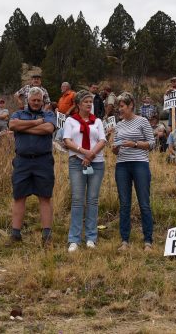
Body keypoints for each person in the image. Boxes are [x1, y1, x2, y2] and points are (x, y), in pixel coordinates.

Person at [8, 87, 57, 245]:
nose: (36, 103)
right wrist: (36, 123)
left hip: (43, 161)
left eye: (39, 100)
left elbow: (48, 128)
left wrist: (24, 127)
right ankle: (15, 234)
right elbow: (12, 125)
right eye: (33, 100)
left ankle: (47, 236)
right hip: (22, 161)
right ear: (28, 100)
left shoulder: (48, 115)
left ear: (43, 101)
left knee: (45, 197)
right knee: (19, 197)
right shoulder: (18, 114)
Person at [62, 90, 106, 252]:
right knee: (77, 199)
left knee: (92, 200)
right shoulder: (70, 121)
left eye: (90, 102)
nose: (89, 104)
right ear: (78, 104)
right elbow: (67, 140)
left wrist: (91, 154)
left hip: (96, 163)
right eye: (86, 101)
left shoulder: (97, 121)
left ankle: (91, 237)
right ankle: (74, 239)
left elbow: (102, 140)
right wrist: (83, 152)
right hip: (77, 162)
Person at [112, 92, 155, 251]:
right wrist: (115, 149)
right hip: (122, 165)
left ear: (131, 105)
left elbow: (152, 143)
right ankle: (124, 240)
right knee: (124, 204)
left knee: (144, 203)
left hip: (140, 164)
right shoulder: (118, 125)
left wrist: (134, 144)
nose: (120, 109)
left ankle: (148, 240)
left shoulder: (143, 121)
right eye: (118, 106)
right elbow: (116, 148)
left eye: (122, 106)